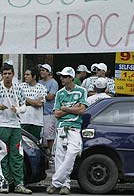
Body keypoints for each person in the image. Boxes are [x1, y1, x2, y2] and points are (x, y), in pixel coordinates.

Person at [0, 63, 32, 194]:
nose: (7, 76)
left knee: (17, 155)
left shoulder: (18, 88)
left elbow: (24, 106)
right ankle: (4, 183)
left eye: (9, 73)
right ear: (1, 75)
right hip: (0, 125)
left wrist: (18, 109)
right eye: (4, 74)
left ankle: (19, 184)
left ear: (13, 74)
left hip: (15, 125)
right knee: (1, 155)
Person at [46, 67, 87, 195]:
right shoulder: (60, 93)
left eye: (64, 76)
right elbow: (57, 114)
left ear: (71, 78)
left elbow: (82, 110)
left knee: (72, 153)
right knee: (59, 157)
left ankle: (56, 182)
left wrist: (64, 108)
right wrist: (71, 108)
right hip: (62, 127)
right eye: (61, 76)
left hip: (75, 127)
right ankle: (65, 185)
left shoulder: (81, 91)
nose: (62, 78)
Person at [19, 67, 47, 140]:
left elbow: (39, 104)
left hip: (36, 122)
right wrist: (34, 101)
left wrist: (26, 99)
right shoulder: (20, 87)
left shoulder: (42, 88)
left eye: (27, 75)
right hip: (23, 120)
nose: (25, 76)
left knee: (35, 143)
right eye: (25, 74)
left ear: (34, 76)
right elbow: (19, 101)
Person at [38, 63, 59, 155]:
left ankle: (51, 154)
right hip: (39, 112)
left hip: (49, 113)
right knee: (41, 136)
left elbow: (51, 96)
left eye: (43, 70)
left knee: (50, 135)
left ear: (48, 72)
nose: (41, 72)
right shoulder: (39, 82)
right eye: (41, 70)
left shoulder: (53, 83)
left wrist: (40, 97)